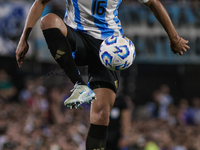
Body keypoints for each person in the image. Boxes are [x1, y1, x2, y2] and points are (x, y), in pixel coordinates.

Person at [15, 0, 190, 149]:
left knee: (101, 114)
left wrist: (174, 38)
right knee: (49, 20)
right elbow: (40, 2)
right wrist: (24, 38)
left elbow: (153, 2)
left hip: (108, 48)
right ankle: (79, 84)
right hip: (77, 37)